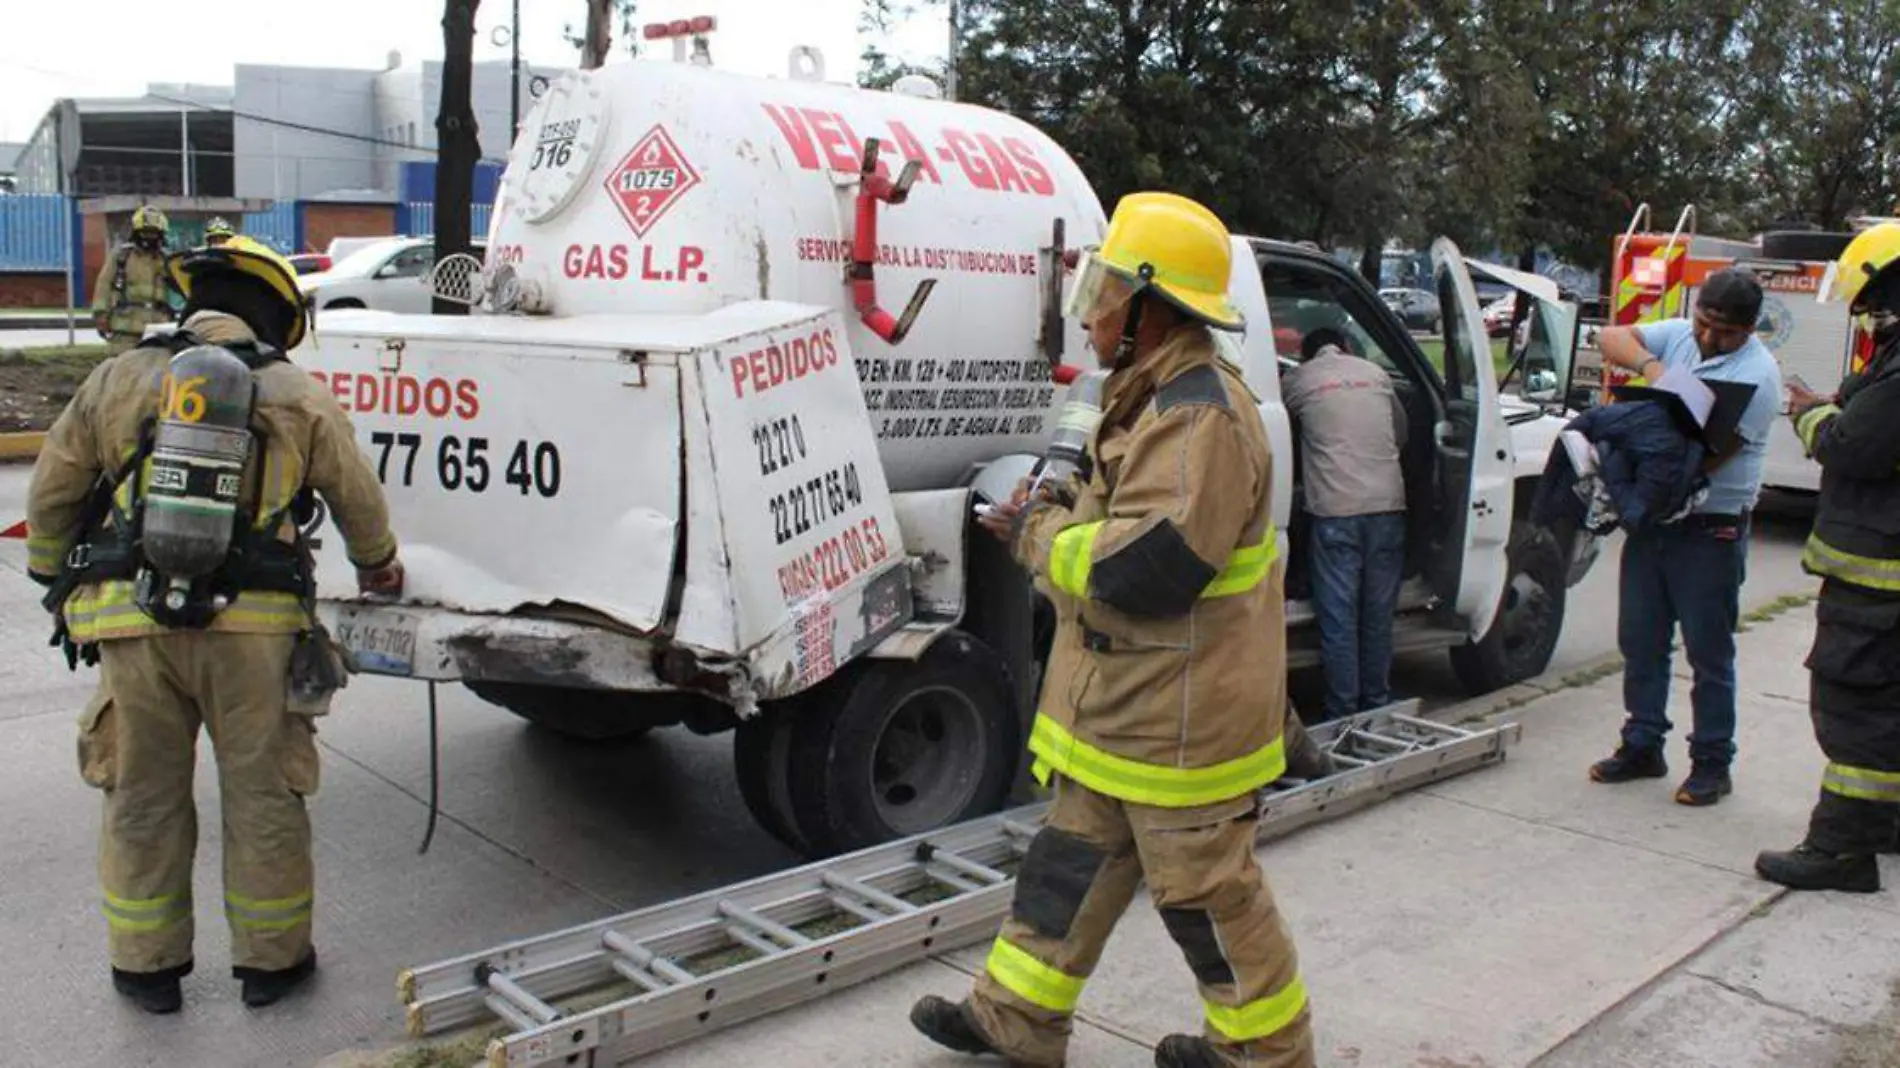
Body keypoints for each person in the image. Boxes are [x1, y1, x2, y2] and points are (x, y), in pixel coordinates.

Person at [908, 192, 1314, 1068]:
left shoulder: (1200, 415)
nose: (1090, 311)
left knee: (1206, 901)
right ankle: (1016, 1018)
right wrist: (1050, 504)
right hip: (1125, 712)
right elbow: (1105, 510)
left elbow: (1146, 569)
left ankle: (1264, 1054)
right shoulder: (1144, 396)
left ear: (1153, 308)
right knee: (1065, 874)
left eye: (1107, 292)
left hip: (1181, 725)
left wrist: (1035, 536)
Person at [25, 236, 404, 1014]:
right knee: (264, 795)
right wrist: (379, 563)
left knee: (141, 795)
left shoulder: (118, 378)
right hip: (254, 635)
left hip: (134, 627)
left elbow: (55, 486)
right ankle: (272, 964)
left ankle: (146, 967)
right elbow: (356, 494)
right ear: (271, 313)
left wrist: (49, 572)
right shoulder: (296, 392)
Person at [1587, 269, 1782, 806]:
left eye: (1724, 332)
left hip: (1709, 529)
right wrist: (1655, 368)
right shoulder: (1679, 337)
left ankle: (1712, 762)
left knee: (1707, 653)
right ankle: (1642, 743)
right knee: (1641, 640)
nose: (1708, 339)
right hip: (1655, 523)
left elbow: (1707, 455)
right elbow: (1611, 336)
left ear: (1748, 329)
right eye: (1704, 323)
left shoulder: (1759, 376)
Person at [1756, 224, 1900, 893]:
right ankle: (1886, 825)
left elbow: (1852, 446)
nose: (1868, 312)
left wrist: (1810, 417)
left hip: (1877, 586)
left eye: (1873, 298)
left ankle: (1841, 848)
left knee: (1854, 709)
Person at [1281, 327, 1408, 721]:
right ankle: (1376, 703)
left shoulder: (1298, 380)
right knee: (1377, 613)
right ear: (1348, 347)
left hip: (1336, 512)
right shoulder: (1377, 374)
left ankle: (1342, 711)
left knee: (1340, 618)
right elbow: (1399, 434)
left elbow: (1279, 433)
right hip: (1388, 507)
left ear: (1305, 355)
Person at [91, 206, 178, 355]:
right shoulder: (121, 256)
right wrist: (101, 315)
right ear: (136, 233)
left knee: (157, 372)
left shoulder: (167, 261)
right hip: (125, 328)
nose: (150, 237)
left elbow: (182, 288)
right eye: (145, 232)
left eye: (154, 233)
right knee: (120, 370)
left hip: (158, 328)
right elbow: (103, 285)